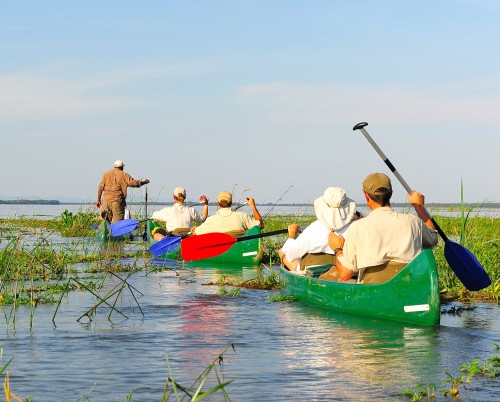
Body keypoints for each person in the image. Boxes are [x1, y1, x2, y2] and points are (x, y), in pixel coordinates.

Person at [322, 172, 438, 283]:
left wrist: (337, 249)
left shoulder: (357, 227)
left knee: (341, 280)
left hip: (372, 288)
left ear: (366, 196)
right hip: (408, 285)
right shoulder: (413, 221)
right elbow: (433, 239)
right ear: (391, 194)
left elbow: (345, 273)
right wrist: (419, 206)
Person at [278, 187, 358, 273]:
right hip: (341, 269)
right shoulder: (352, 229)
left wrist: (291, 236)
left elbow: (291, 254)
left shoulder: (314, 228)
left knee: (282, 251)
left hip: (313, 271)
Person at [191, 191, 263, 236]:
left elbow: (195, 232)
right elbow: (260, 225)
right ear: (231, 203)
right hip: (239, 248)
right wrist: (253, 206)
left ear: (218, 203)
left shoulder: (211, 220)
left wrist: (193, 229)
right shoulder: (242, 216)